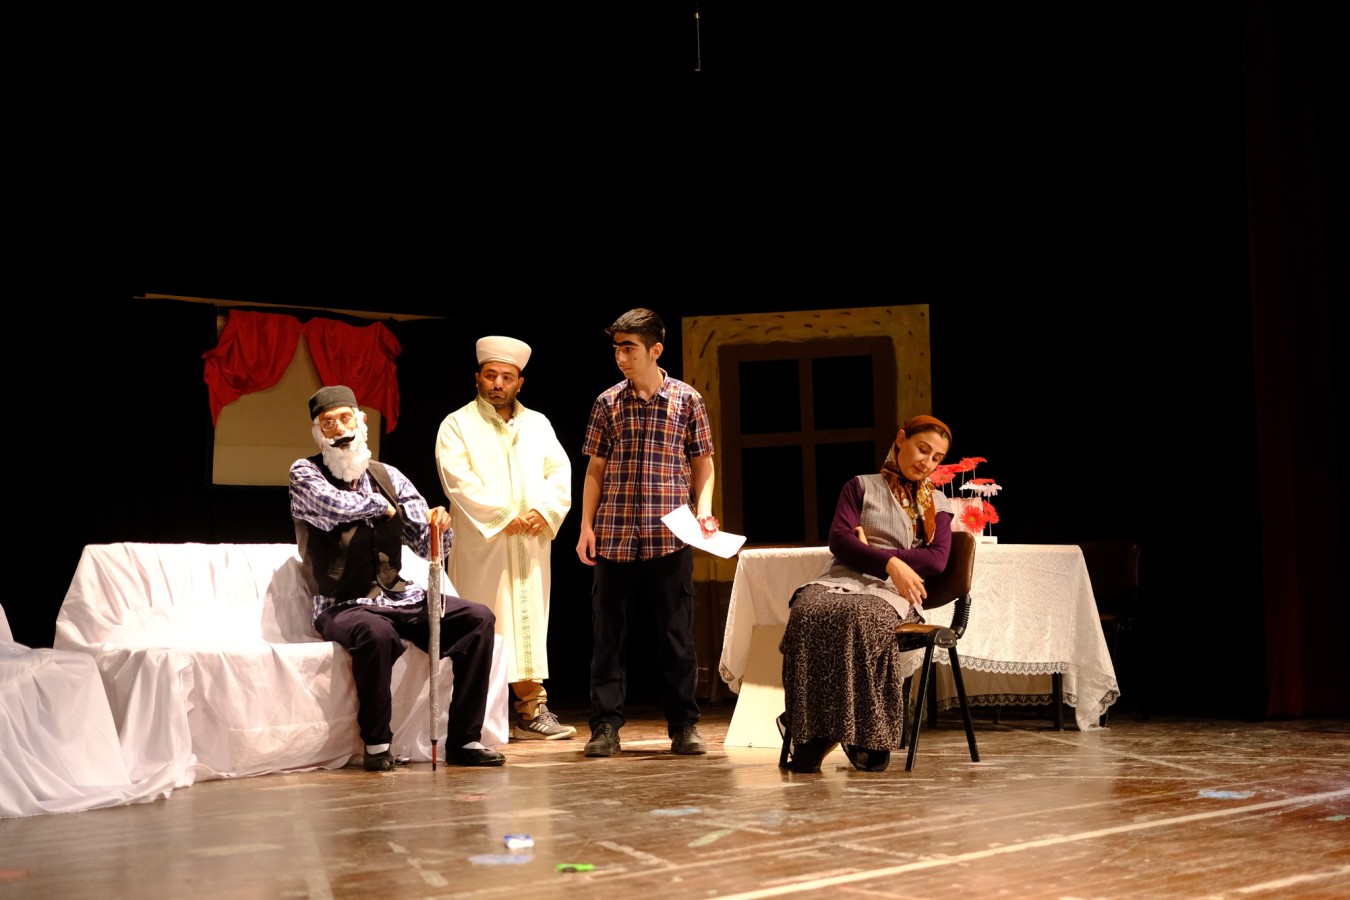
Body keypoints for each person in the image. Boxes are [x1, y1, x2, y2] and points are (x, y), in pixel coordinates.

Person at [290, 385, 506, 770]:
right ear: (318, 432)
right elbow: (331, 506)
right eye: (328, 424)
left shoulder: (388, 476)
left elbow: (425, 544)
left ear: (361, 422)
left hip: (397, 596)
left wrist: (439, 527)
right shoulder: (305, 472)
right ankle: (377, 745)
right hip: (343, 603)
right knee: (377, 633)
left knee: (478, 619)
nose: (339, 430)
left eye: (345, 419)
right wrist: (382, 506)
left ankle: (465, 740)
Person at [575, 307, 718, 758]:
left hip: (670, 536)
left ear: (655, 349)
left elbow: (703, 464)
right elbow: (595, 469)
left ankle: (684, 724)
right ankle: (605, 726)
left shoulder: (686, 400)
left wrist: (704, 513)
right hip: (615, 535)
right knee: (608, 639)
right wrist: (586, 526)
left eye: (629, 348)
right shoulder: (607, 403)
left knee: (676, 637)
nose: (621, 356)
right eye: (616, 348)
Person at [778, 415, 955, 773]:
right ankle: (809, 731)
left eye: (936, 457)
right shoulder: (860, 486)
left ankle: (863, 735)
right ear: (901, 439)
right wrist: (889, 561)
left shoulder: (937, 504)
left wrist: (874, 554)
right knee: (807, 610)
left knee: (860, 618)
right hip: (839, 578)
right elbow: (840, 541)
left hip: (892, 593)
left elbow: (936, 560)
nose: (927, 462)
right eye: (922, 449)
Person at [435, 336, 576, 741]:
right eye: (491, 375)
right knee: (483, 621)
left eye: (507, 377)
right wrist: (501, 515)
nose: (498, 383)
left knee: (528, 624)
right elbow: (457, 479)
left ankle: (532, 709)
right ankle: (474, 715)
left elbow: (559, 471)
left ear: (520, 382)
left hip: (530, 541)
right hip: (484, 543)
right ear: (477, 378)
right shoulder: (457, 424)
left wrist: (545, 511)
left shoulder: (538, 424)